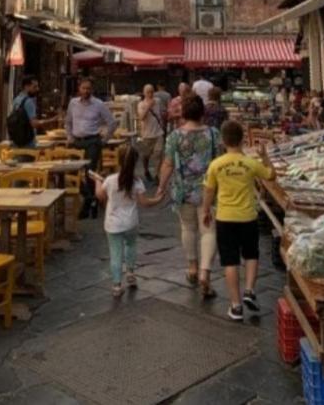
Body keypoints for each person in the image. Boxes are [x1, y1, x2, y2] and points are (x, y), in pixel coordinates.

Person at [202, 120, 275, 321]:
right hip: (248, 216)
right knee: (251, 255)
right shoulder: (250, 163)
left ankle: (235, 306)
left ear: (223, 141)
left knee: (230, 261)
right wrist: (265, 157)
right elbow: (271, 176)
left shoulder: (216, 165)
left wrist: (206, 210)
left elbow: (209, 190)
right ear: (242, 140)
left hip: (225, 217)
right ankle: (249, 290)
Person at [157, 94, 220, 299]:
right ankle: (205, 273)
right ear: (203, 112)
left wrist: (161, 186)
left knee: (188, 228)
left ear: (184, 113)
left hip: (183, 189)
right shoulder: (213, 134)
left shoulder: (175, 136)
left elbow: (167, 164)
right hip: (208, 190)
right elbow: (220, 161)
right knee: (208, 231)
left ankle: (192, 267)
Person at [94, 144, 164, 298]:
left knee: (115, 253)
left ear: (118, 160)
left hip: (113, 224)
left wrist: (98, 180)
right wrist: (158, 199)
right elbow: (144, 202)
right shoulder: (137, 182)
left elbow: (100, 195)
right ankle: (131, 273)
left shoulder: (110, 180)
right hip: (131, 221)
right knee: (131, 246)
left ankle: (117, 285)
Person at [66, 78, 118, 219]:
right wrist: (69, 137)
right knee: (70, 171)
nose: (86, 91)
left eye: (88, 88)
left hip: (92, 141)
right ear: (79, 89)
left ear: (92, 90)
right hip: (77, 142)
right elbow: (68, 122)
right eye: (83, 88)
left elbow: (112, 123)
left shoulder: (99, 104)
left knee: (90, 173)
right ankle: (89, 197)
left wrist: (104, 140)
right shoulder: (73, 103)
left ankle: (87, 206)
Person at [7, 76, 58, 151]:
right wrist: (51, 120)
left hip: (16, 141)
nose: (37, 89)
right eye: (34, 87)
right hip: (28, 143)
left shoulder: (17, 100)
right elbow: (34, 123)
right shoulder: (29, 102)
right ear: (26, 87)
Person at [136, 84, 164, 183]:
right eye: (148, 92)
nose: (150, 94)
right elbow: (141, 118)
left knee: (158, 153)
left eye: (152, 91)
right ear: (144, 93)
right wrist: (148, 107)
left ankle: (157, 175)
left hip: (158, 132)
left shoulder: (158, 101)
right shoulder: (141, 104)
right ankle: (146, 170)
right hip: (147, 134)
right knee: (146, 155)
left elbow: (161, 114)